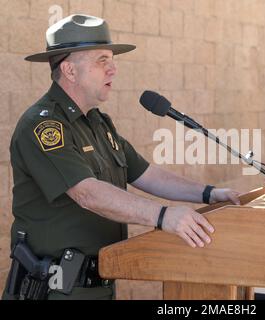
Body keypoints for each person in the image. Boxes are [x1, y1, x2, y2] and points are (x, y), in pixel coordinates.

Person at [2, 14, 240, 300]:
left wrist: (210, 194)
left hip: (99, 283)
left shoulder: (98, 124)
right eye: (102, 60)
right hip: (55, 289)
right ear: (69, 70)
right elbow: (87, 193)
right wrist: (163, 216)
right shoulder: (43, 126)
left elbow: (147, 174)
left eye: (112, 60)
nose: (113, 69)